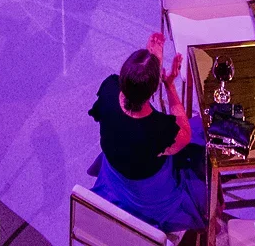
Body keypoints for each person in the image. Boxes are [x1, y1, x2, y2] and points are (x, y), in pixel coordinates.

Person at [87, 41, 207, 231]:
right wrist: (169, 85)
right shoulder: (158, 129)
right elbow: (185, 135)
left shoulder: (109, 87)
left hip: (117, 172)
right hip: (149, 196)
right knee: (201, 130)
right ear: (152, 91)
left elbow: (135, 87)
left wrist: (151, 64)